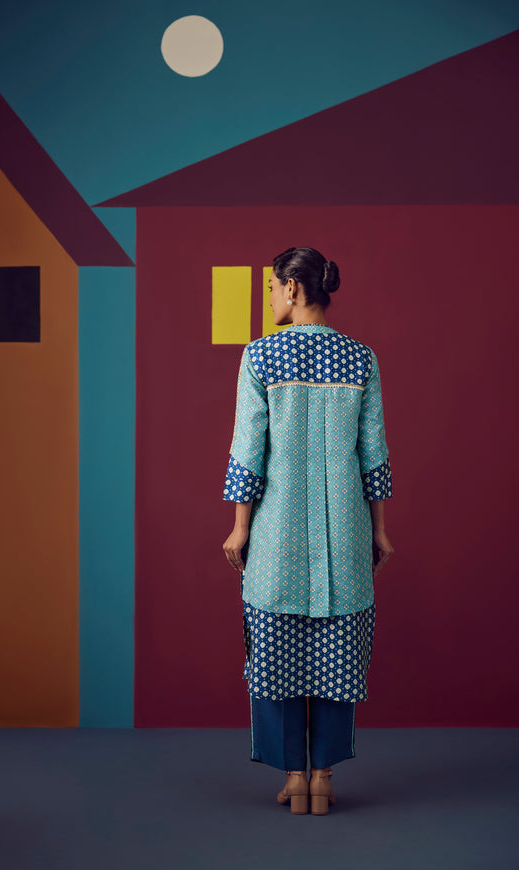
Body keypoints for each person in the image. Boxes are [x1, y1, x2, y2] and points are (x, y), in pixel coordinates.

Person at [222, 246, 394, 815]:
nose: (269, 297)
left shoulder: (261, 357)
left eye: (272, 287)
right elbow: (374, 455)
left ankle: (294, 778)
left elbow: (249, 448)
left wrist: (240, 526)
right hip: (345, 531)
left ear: (293, 290)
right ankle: (322, 779)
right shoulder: (361, 358)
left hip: (276, 533)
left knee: (275, 649)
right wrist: (381, 530)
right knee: (337, 650)